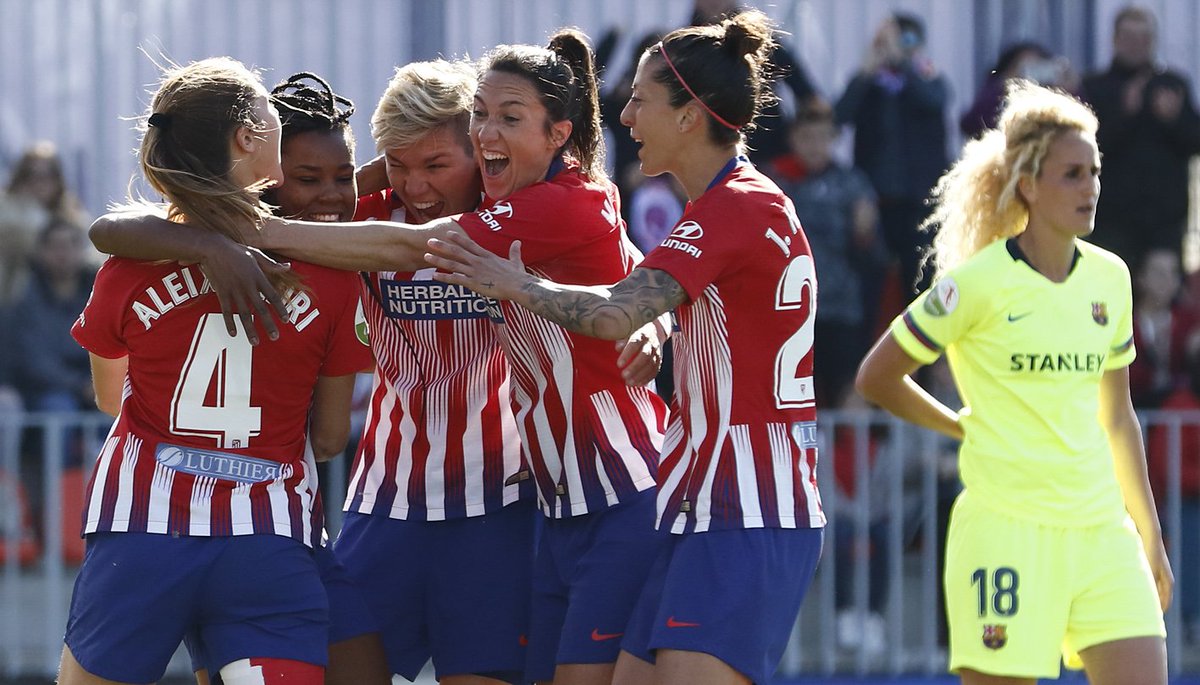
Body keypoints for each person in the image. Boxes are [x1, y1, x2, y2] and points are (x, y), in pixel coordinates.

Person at [425, 11, 825, 685]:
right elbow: (677, 300)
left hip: (748, 512)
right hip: (696, 508)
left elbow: (612, 312)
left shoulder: (736, 207)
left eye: (640, 98)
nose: (625, 113)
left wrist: (514, 282)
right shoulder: (727, 207)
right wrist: (662, 325)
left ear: (690, 117)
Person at [60, 57, 373, 685]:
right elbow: (331, 439)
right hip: (268, 534)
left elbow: (108, 397)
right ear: (247, 138)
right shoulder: (334, 280)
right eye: (269, 113)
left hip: (143, 525)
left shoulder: (127, 263)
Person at [855, 80, 1171, 684]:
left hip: (1103, 533)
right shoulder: (974, 284)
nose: (1090, 188)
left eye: (1094, 171)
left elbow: (1118, 418)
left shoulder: (1111, 278)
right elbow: (877, 377)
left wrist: (1150, 536)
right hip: (1006, 534)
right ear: (1027, 184)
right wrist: (956, 426)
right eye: (1072, 174)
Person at [767, 98, 881, 408]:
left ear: (834, 139)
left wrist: (865, 232)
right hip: (787, 311)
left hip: (841, 309)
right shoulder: (773, 183)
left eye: (822, 138)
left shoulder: (853, 184)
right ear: (793, 139)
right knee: (789, 399)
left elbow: (875, 257)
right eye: (807, 138)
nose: (815, 146)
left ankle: (847, 457)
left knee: (847, 397)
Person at [835, 11, 949, 300]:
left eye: (905, 38)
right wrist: (865, 72)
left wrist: (904, 61)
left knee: (921, 283)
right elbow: (839, 116)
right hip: (876, 200)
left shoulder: (926, 74)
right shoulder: (870, 82)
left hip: (918, 198)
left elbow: (935, 100)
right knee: (870, 284)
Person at [1081, 5, 1200, 269]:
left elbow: (1193, 142)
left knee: (1163, 294)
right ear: (1115, 40)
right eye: (1129, 38)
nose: (1137, 45)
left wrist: (1173, 120)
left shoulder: (1173, 84)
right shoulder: (1094, 86)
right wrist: (1125, 114)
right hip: (1112, 218)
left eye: (1143, 39)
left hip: (1164, 220)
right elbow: (1088, 148)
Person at [960, 42, 1078, 140]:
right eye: (1024, 68)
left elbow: (1079, 126)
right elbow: (971, 123)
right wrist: (1006, 88)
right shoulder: (996, 93)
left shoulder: (1058, 96)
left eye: (1038, 68)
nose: (1032, 76)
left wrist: (1069, 92)